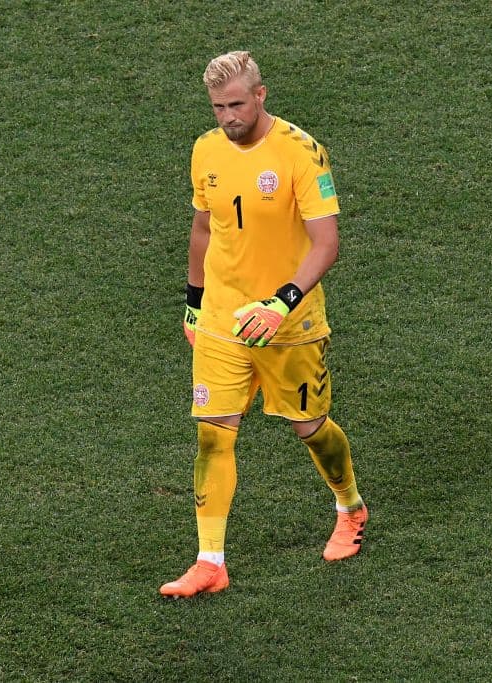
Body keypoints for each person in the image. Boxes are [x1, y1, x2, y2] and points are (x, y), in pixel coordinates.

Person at [160, 51, 368, 598]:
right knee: (212, 434)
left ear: (260, 95)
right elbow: (203, 229)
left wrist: (281, 303)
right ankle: (210, 562)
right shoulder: (206, 149)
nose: (227, 117)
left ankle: (349, 506)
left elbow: (327, 244)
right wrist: (193, 302)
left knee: (311, 428)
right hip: (223, 320)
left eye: (235, 104)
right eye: (217, 106)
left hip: (289, 325)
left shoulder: (302, 153)